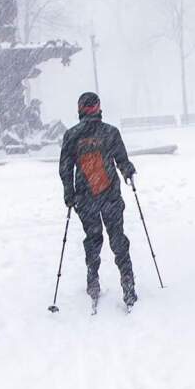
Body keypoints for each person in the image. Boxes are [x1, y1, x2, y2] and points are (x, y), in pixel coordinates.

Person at [58, 91, 138, 308]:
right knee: (117, 238)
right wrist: (128, 172)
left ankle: (92, 281)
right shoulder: (110, 132)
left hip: (85, 197)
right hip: (110, 194)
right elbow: (122, 159)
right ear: (98, 108)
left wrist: (69, 194)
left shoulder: (72, 135)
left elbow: (65, 168)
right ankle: (128, 284)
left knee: (93, 239)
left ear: (80, 109)